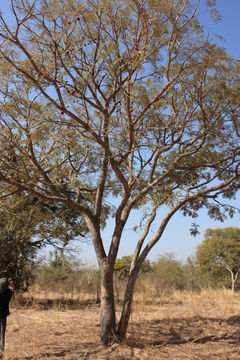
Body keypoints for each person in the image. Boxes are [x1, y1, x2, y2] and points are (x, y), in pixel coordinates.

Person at [0, 277, 13, 355]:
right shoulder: (9, 293)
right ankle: (1, 352)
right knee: (2, 334)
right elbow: (11, 288)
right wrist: (10, 282)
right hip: (4, 315)